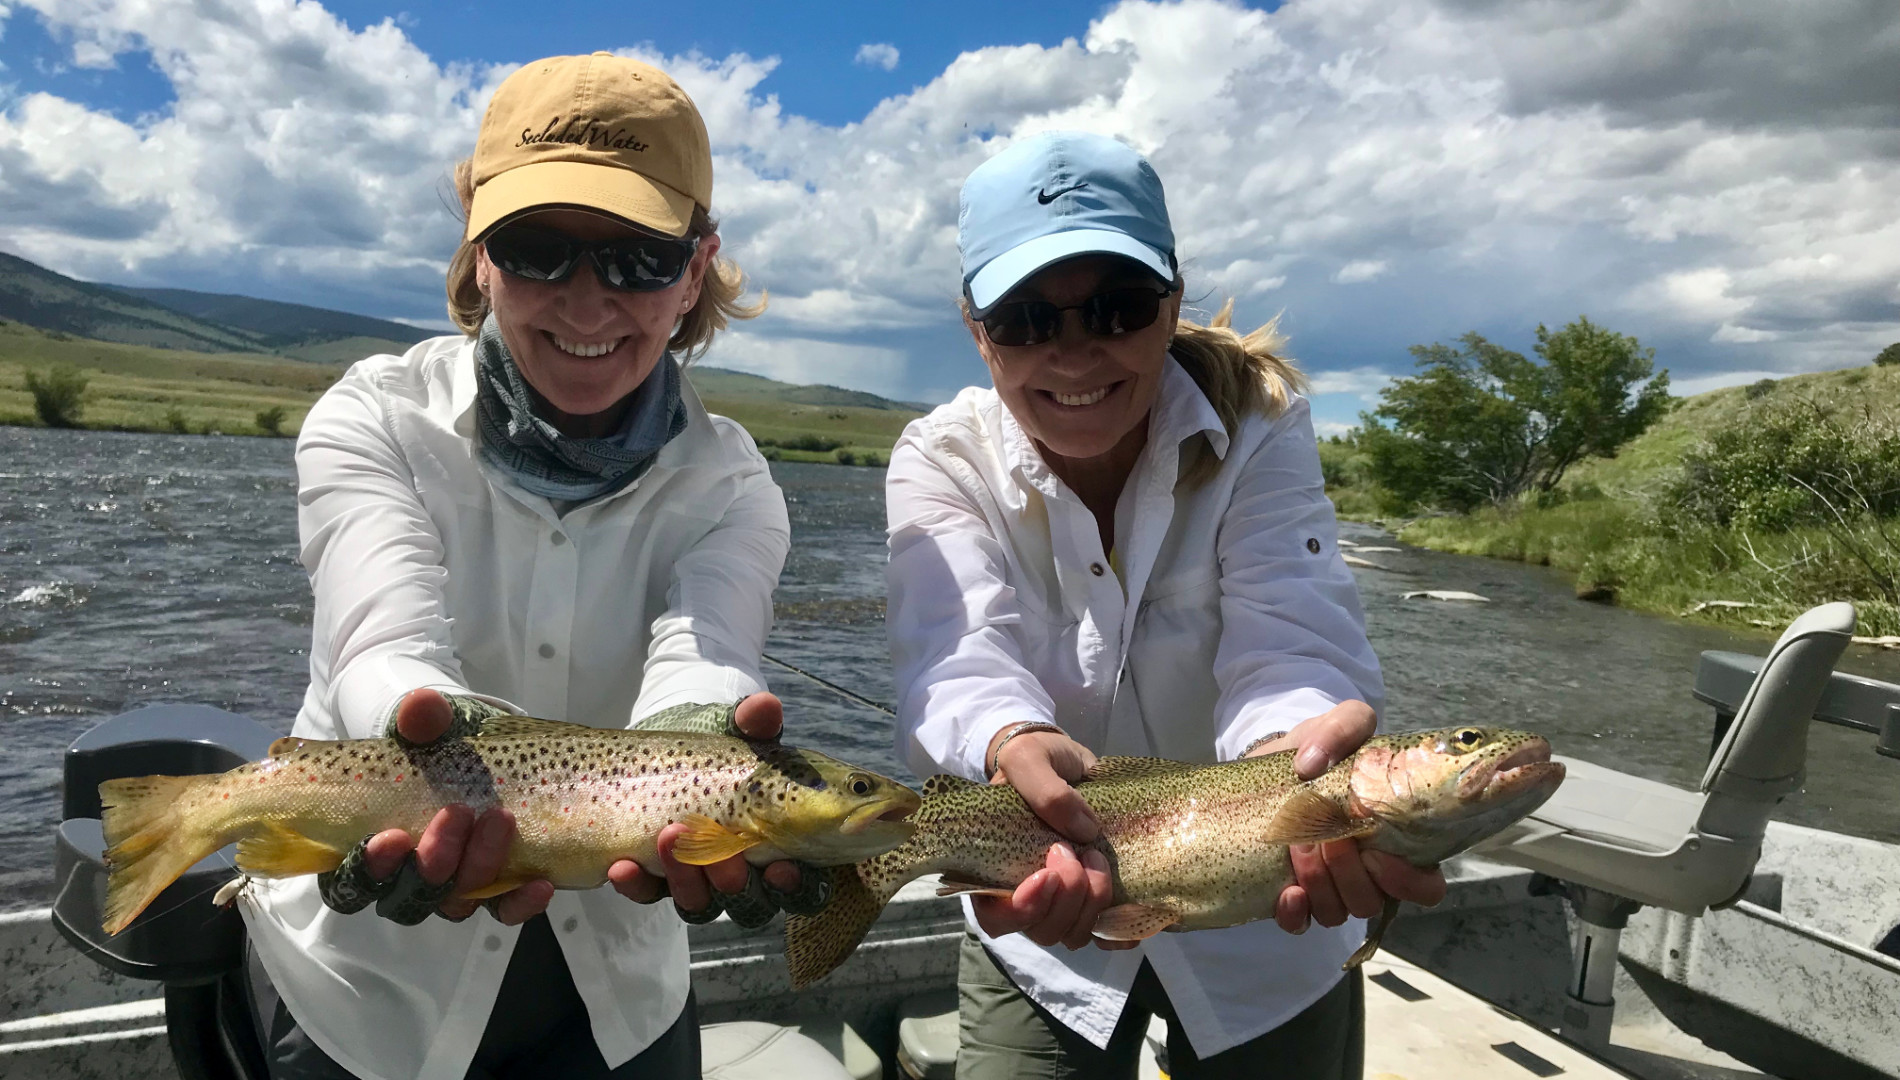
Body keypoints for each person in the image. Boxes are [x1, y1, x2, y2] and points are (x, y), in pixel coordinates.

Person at [240, 53, 817, 1080]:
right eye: (539, 249)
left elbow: (707, 650)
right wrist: (426, 739)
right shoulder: (373, 418)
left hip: (623, 1000)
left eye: (638, 257)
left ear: (696, 267)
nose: (588, 305)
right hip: (366, 995)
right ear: (478, 249)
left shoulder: (730, 484)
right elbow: (382, 637)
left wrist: (701, 745)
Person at [884, 131, 1448, 1078]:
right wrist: (1009, 737)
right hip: (1042, 912)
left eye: (1119, 308)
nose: (1073, 353)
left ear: (1173, 301)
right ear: (977, 328)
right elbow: (954, 653)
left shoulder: (1261, 425)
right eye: (1025, 321)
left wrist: (1297, 769)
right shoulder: (941, 457)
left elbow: (1292, 642)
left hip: (1270, 916)